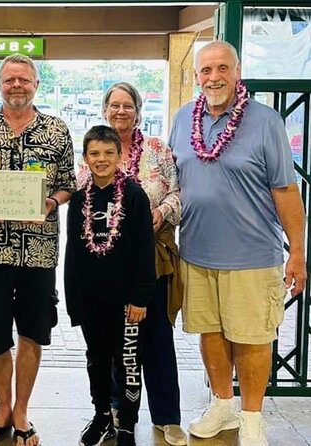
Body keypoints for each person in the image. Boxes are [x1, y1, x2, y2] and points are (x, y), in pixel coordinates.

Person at [169, 40, 307, 446]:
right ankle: (223, 406)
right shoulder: (182, 120)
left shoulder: (265, 122)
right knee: (210, 333)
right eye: (206, 70)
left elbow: (286, 190)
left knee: (251, 336)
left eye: (222, 69)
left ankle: (251, 417)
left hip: (252, 255)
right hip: (195, 251)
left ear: (237, 71)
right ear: (196, 76)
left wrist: (297, 252)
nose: (214, 77)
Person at [0, 53, 76, 446]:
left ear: (36, 84)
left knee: (32, 331)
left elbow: (67, 184)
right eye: (10, 80)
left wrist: (49, 204)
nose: (17, 86)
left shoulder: (57, 130)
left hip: (38, 250)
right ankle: (2, 409)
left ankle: (22, 410)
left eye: (24, 80)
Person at [101, 82, 186, 446]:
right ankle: (118, 411)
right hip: (109, 261)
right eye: (114, 105)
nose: (121, 112)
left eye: (127, 106)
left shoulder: (157, 150)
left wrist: (161, 211)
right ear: (105, 110)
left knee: (157, 339)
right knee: (114, 340)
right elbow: (84, 194)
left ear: (138, 110)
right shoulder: (96, 148)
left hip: (154, 260)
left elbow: (179, 195)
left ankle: (167, 416)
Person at [65, 125, 155, 446]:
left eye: (108, 153)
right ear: (85, 158)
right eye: (94, 154)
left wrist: (140, 297)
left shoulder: (133, 195)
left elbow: (145, 250)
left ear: (119, 155)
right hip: (91, 301)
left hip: (127, 302)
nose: (101, 159)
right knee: (97, 360)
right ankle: (102, 414)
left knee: (128, 361)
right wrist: (74, 302)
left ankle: (128, 422)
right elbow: (73, 254)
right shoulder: (79, 200)